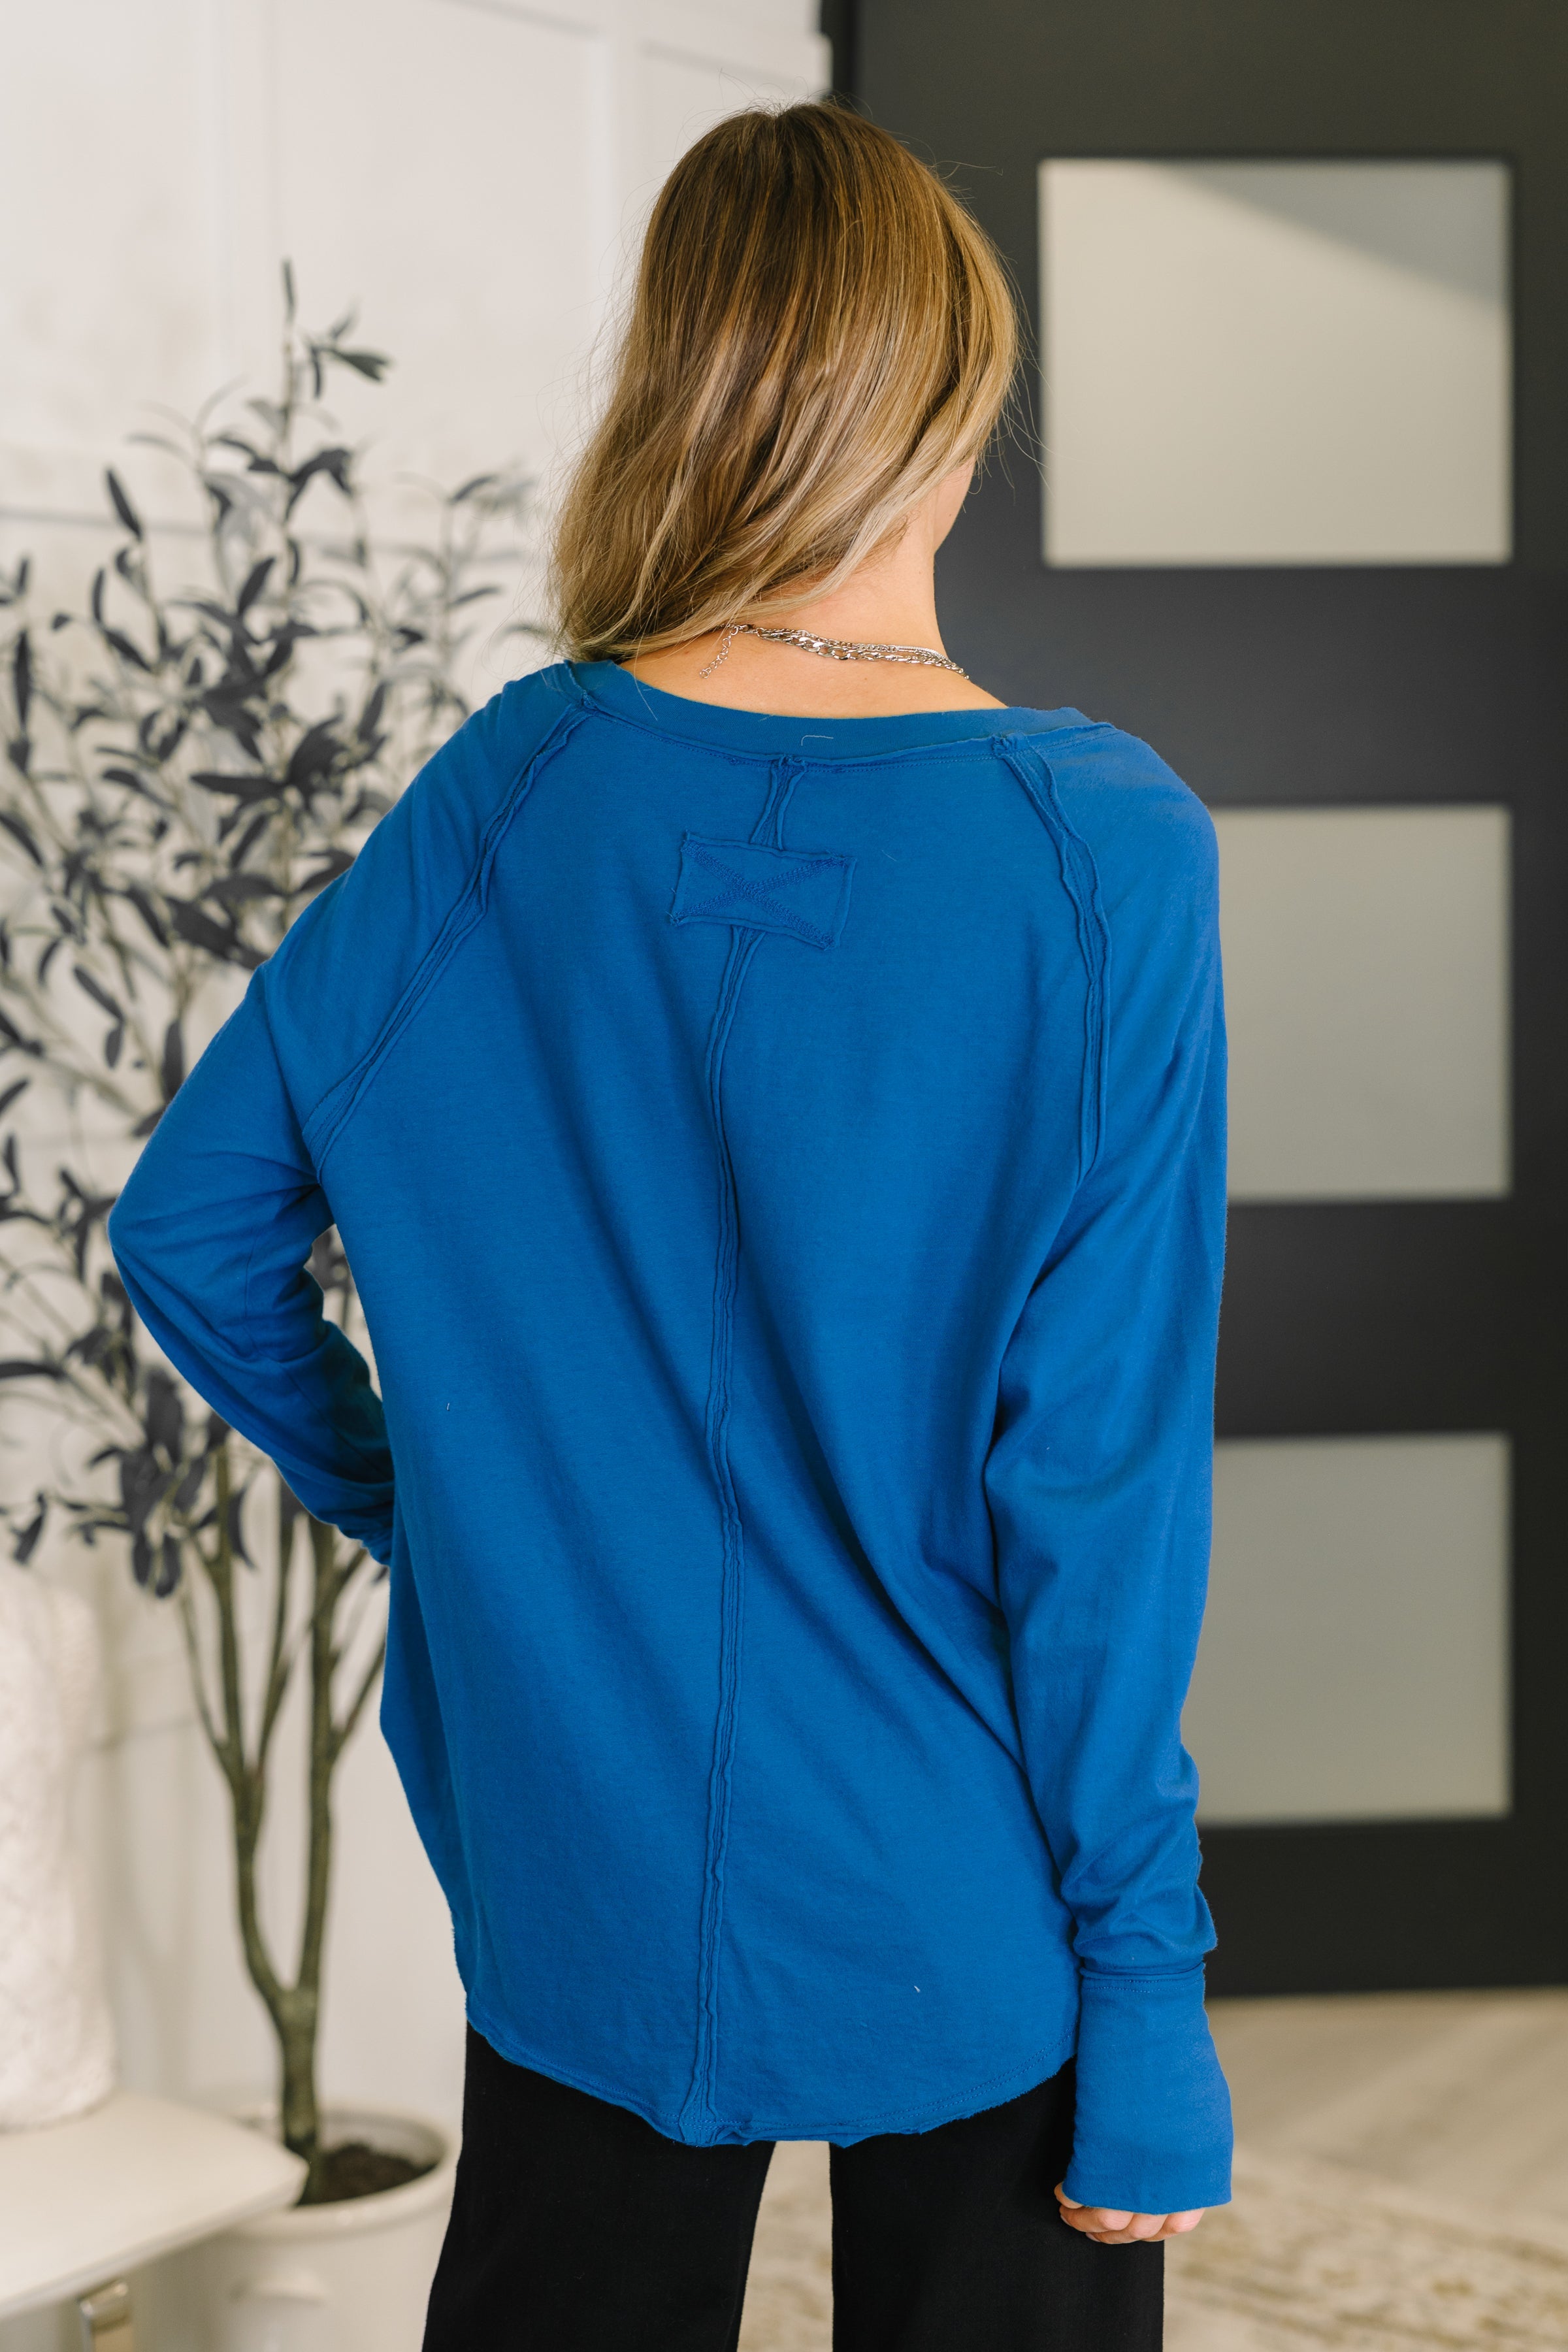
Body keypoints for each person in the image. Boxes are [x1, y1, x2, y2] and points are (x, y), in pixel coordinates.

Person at [109, 100, 1232, 2351]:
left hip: (584, 1856)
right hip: (961, 1874)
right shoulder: (1105, 855)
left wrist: (456, 1514)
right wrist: (1148, 1995)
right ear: (951, 405)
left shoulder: (512, 787)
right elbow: (1094, 1496)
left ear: (688, 394)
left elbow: (193, 1228)